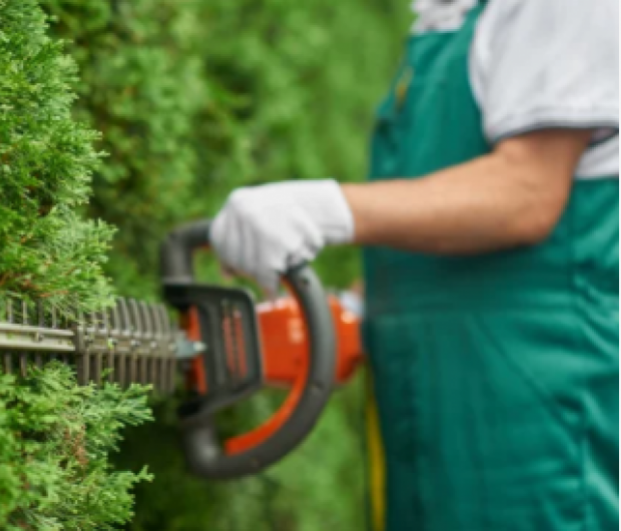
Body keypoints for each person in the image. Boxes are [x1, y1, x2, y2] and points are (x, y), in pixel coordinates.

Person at [208, 0, 619, 529]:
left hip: (532, 412)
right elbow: (437, 219)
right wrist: (352, 310)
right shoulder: (447, 23)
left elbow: (529, 191)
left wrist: (325, 208)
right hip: (424, 410)